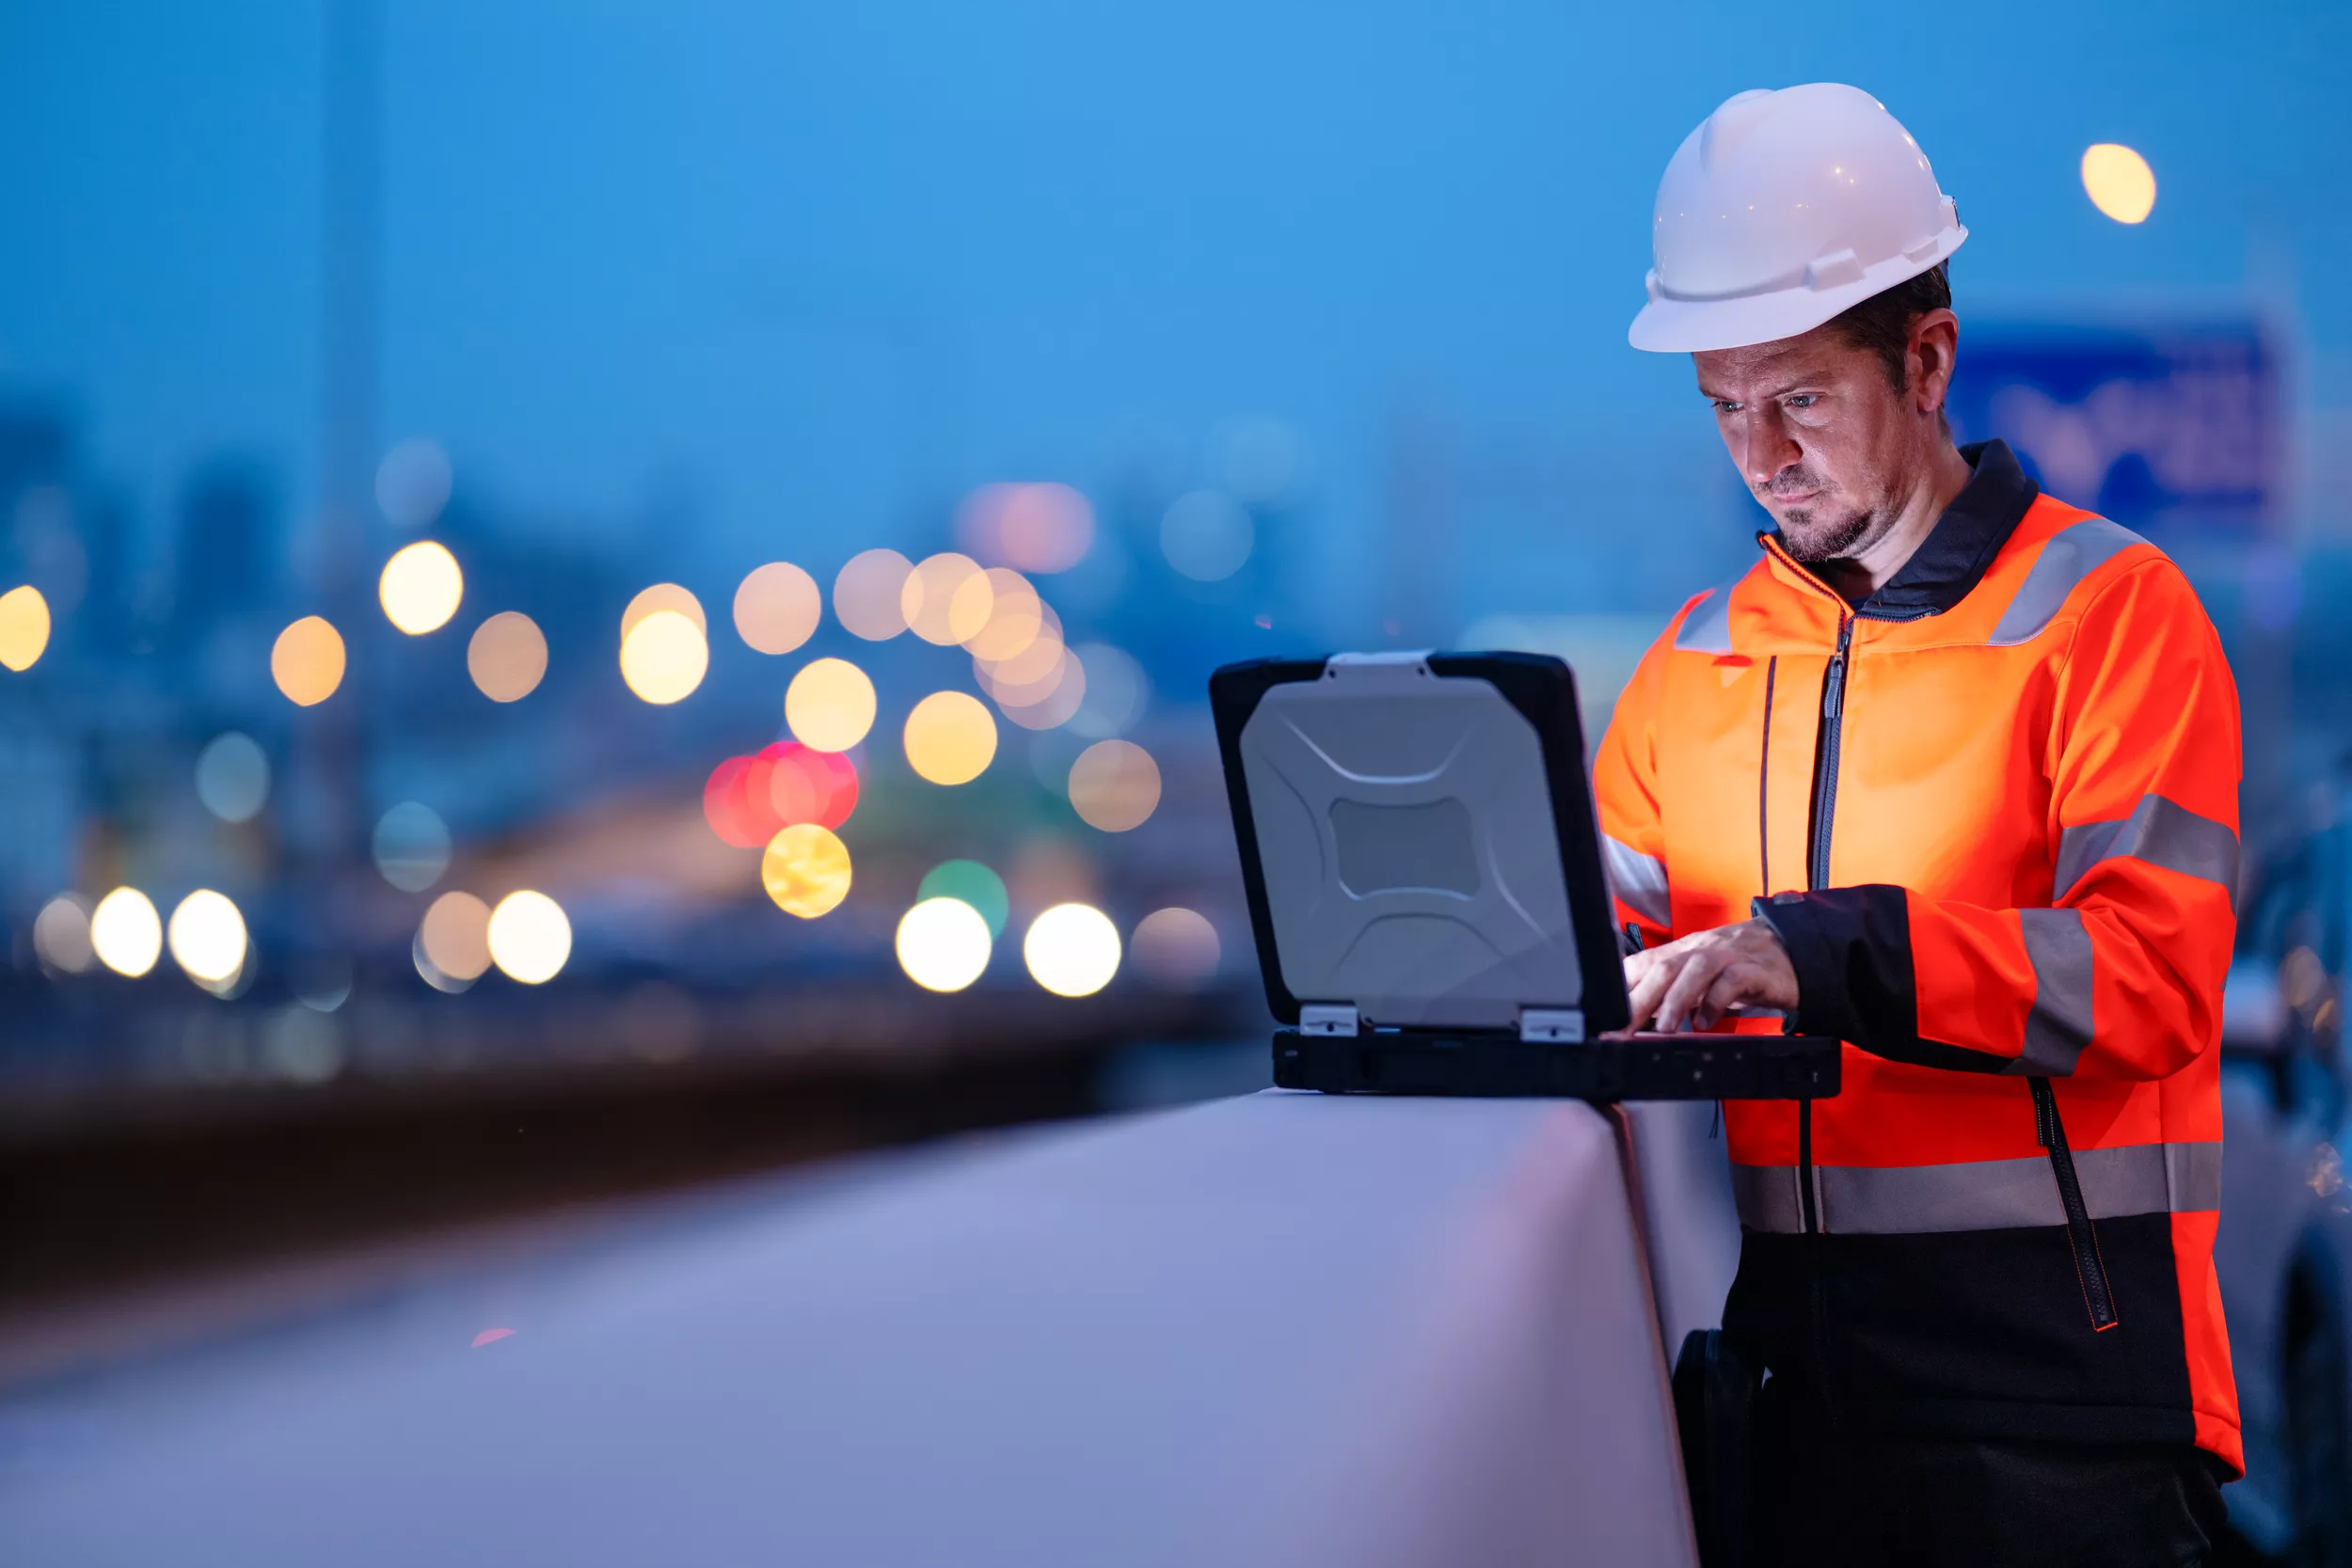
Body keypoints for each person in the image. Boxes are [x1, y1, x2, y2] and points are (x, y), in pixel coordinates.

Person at [1594, 84, 2241, 1566]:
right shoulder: (1698, 661)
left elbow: (2148, 977)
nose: (1760, 452)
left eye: (1802, 397)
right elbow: (1587, 947)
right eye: (1724, 406)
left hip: (2063, 1426)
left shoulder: (2107, 615)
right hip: (1805, 1419)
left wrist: (1818, 951)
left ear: (1927, 359)